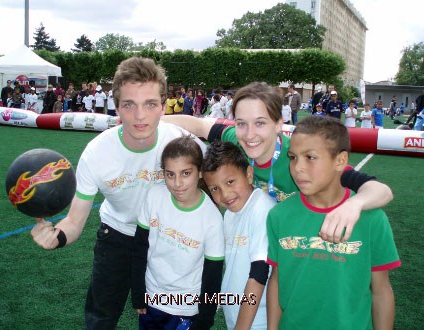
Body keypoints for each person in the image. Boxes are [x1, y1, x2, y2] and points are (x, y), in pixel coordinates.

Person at [30, 57, 206, 329]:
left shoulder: (182, 143)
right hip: (116, 237)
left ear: (162, 105)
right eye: (129, 105)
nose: (140, 116)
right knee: (101, 317)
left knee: (171, 317)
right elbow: (75, 221)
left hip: (168, 240)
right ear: (117, 107)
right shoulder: (97, 153)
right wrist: (58, 237)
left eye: (150, 104)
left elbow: (219, 178)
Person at [161, 82, 393, 243]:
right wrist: (150, 122)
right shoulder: (238, 140)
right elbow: (198, 125)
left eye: (260, 123)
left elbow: (380, 190)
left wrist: (354, 205)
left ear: (278, 124)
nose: (250, 134)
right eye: (241, 123)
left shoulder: (299, 156)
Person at [266, 116, 401, 329]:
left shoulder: (372, 218)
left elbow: (381, 290)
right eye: (293, 157)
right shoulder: (279, 215)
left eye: (310, 157)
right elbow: (276, 278)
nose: (297, 167)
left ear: (340, 160)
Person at [131, 136, 224, 330]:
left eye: (186, 173)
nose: (178, 183)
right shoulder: (154, 196)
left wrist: (205, 319)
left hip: (186, 308)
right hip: (151, 299)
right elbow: (140, 247)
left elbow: (212, 275)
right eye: (170, 174)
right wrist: (138, 291)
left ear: (200, 172)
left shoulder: (212, 219)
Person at [202, 141, 276, 329]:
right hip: (237, 315)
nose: (225, 194)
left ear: (249, 175)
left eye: (230, 182)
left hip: (257, 320)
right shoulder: (230, 214)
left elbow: (259, 274)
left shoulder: (263, 209)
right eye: (215, 189)